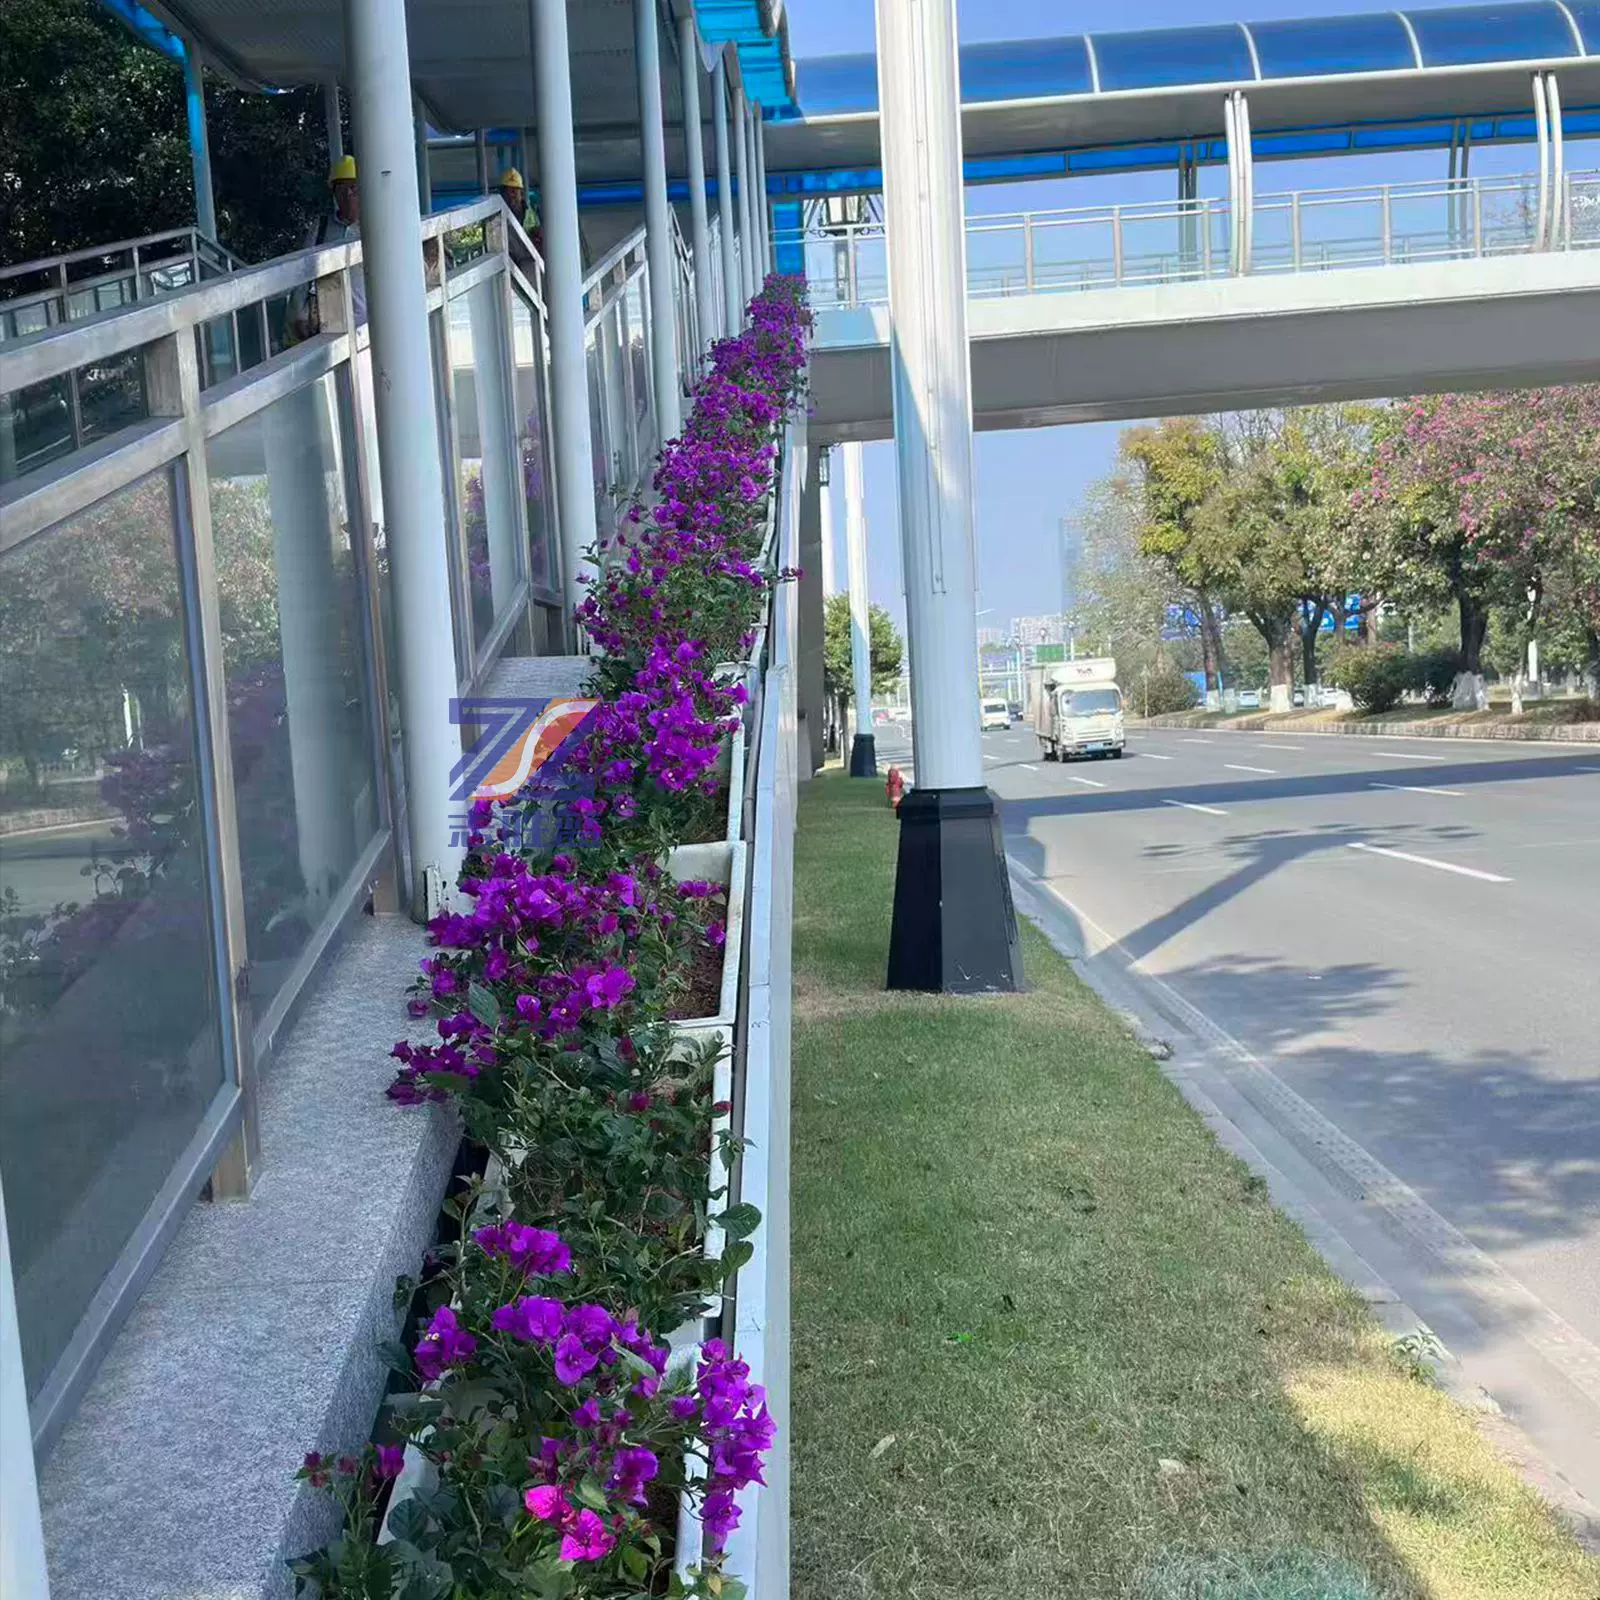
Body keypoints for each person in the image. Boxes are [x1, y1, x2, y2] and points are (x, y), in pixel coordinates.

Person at [290, 154, 365, 339]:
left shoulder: (376, 226)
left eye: (353, 188)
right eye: (341, 189)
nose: (348, 195)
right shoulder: (321, 226)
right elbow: (304, 271)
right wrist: (298, 315)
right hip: (332, 324)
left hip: (370, 323)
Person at [496, 167, 542, 253]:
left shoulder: (532, 212)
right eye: (509, 190)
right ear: (503, 193)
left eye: (515, 190)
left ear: (521, 192)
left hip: (529, 257)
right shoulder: (496, 216)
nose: (512, 194)